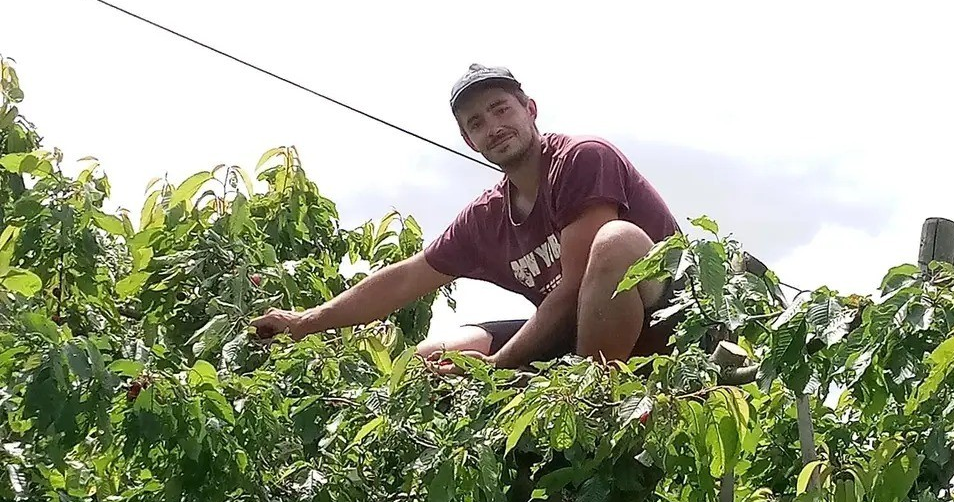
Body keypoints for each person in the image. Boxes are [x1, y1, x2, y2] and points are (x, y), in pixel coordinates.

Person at [250, 64, 682, 372]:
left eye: (501, 109)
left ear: (530, 109)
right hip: (583, 336)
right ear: (467, 139)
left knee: (614, 240)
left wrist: (497, 365)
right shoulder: (485, 219)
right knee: (435, 356)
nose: (492, 126)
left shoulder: (582, 159)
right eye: (476, 122)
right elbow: (407, 278)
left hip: (668, 322)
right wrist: (306, 322)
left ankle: (592, 401)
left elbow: (572, 289)